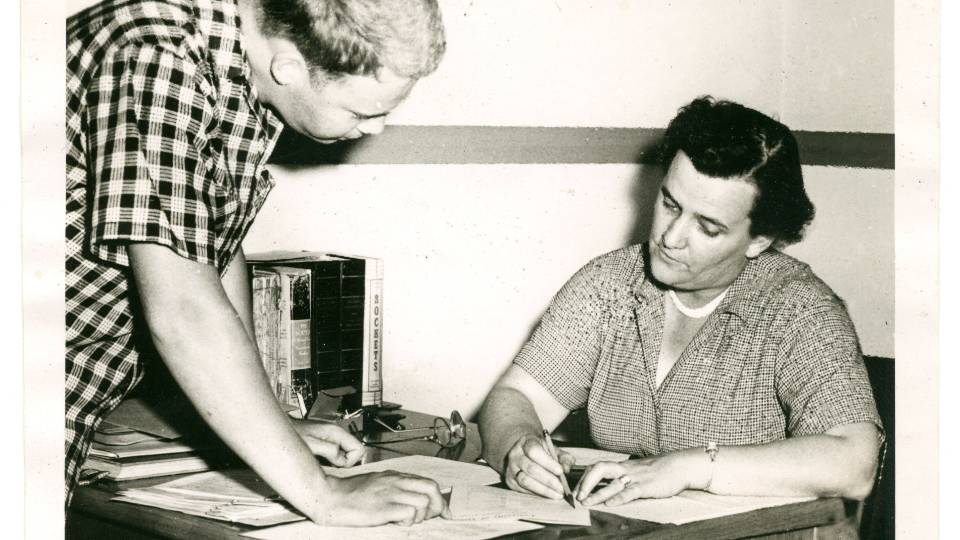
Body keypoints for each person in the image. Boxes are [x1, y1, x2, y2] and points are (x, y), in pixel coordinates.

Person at [66, 0, 446, 526]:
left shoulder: (241, 59)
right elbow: (185, 309)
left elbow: (214, 249)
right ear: (288, 66)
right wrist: (323, 495)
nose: (376, 129)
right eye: (362, 112)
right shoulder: (156, 55)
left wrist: (277, 424)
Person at [478, 96, 883, 508]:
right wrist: (519, 449)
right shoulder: (608, 285)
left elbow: (856, 462)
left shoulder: (799, 309)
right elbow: (517, 397)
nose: (671, 237)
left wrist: (688, 468)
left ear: (759, 238)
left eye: (707, 227)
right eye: (670, 204)